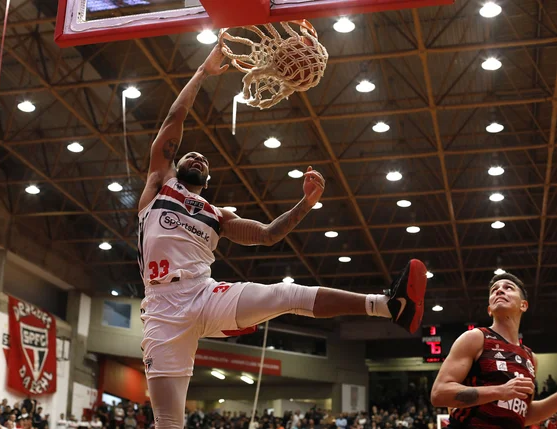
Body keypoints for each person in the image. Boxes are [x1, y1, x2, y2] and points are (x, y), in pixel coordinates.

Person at [137, 43, 428, 429]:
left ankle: (388, 306)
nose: (198, 157)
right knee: (169, 422)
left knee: (286, 294)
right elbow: (176, 115)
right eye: (191, 155)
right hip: (162, 307)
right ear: (176, 163)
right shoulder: (159, 186)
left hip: (204, 294)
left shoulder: (217, 215)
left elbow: (269, 235)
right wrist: (204, 72)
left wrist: (305, 204)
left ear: (207, 182)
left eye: (205, 162)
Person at [431, 273, 557, 428]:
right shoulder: (476, 338)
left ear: (523, 305)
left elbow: (523, 415)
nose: (499, 291)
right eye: (494, 290)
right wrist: (500, 391)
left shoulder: (531, 358)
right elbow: (439, 394)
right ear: (489, 309)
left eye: (508, 288)